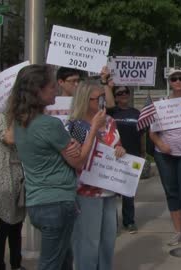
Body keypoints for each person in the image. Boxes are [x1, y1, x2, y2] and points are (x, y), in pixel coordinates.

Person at [6, 64, 104, 270]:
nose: (56, 90)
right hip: (57, 203)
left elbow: (48, 148)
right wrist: (94, 128)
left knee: (64, 261)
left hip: (37, 203)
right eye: (52, 86)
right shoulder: (49, 124)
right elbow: (78, 161)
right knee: (50, 264)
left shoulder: (19, 122)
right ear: (38, 91)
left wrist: (68, 146)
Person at [67, 80, 126, 270]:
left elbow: (116, 144)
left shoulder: (110, 121)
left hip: (109, 188)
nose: (102, 102)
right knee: (88, 241)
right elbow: (78, 157)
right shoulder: (75, 125)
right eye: (98, 98)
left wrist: (120, 149)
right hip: (87, 191)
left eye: (103, 97)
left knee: (108, 239)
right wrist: (93, 128)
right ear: (85, 100)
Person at [149, 67, 181, 253]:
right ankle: (178, 231)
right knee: (171, 192)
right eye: (173, 79)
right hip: (165, 155)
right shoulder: (161, 103)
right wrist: (160, 144)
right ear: (169, 82)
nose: (177, 82)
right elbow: (152, 133)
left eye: (180, 78)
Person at [104, 70, 146, 234]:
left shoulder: (136, 113)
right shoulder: (111, 112)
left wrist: (143, 153)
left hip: (132, 156)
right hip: (113, 156)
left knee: (129, 192)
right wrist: (107, 85)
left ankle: (129, 221)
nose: (123, 95)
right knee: (112, 192)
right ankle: (111, 223)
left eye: (125, 92)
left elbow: (142, 135)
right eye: (119, 93)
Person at [0, 113, 26, 270]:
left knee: (17, 225)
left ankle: (16, 263)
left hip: (18, 178)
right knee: (4, 225)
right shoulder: (0, 118)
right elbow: (9, 139)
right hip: (4, 178)